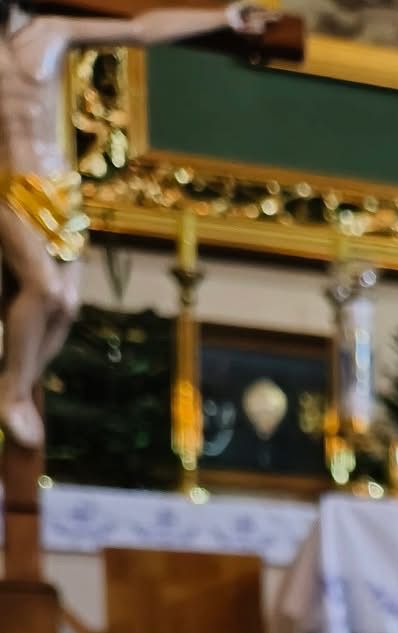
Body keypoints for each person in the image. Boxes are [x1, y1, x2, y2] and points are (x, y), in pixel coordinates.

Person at [0, 0, 268, 449]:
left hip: (56, 186)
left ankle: (21, 385)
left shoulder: (52, 30)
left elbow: (142, 29)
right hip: (7, 188)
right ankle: (12, 391)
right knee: (43, 288)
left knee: (66, 303)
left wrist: (222, 18)